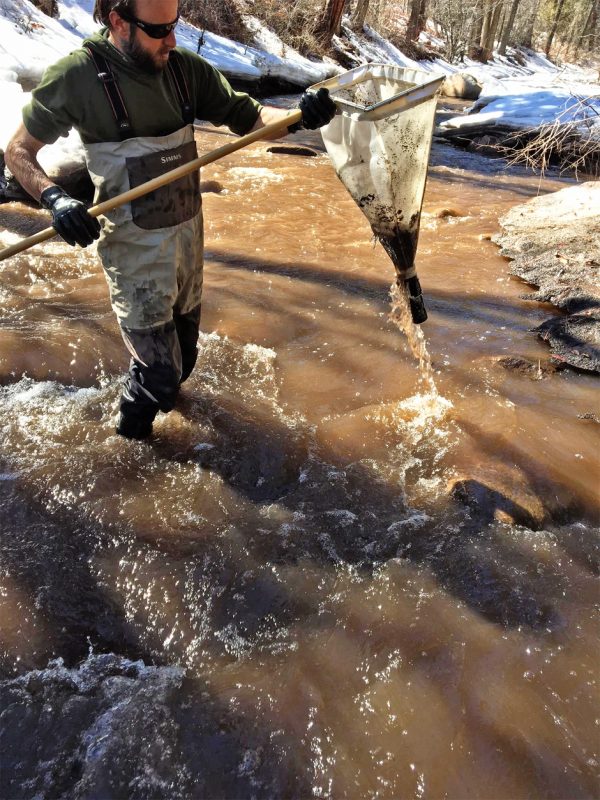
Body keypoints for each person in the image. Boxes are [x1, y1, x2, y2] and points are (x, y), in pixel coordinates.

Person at [5, 0, 336, 440]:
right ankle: (128, 450)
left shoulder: (185, 70)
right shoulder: (78, 76)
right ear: (119, 22)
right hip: (134, 252)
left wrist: (299, 116)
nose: (172, 41)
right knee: (160, 375)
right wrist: (56, 199)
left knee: (185, 362)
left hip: (185, 241)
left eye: (174, 26)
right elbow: (18, 151)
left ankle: (156, 411)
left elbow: (251, 117)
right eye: (158, 31)